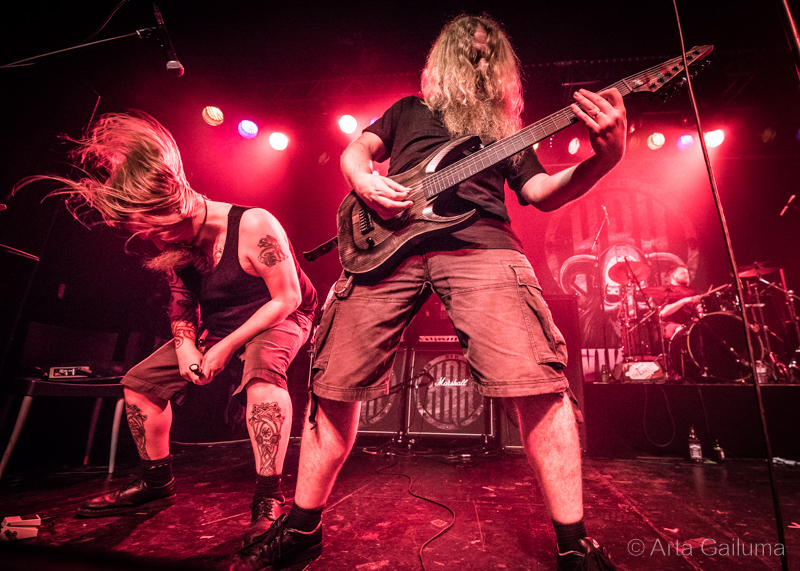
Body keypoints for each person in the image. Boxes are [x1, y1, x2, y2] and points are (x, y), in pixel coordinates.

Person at [232, 13, 624, 571]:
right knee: (334, 383)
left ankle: (575, 544)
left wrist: (604, 158)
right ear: (442, 57)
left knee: (537, 381)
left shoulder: (503, 130)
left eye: (487, 53)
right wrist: (363, 180)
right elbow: (356, 150)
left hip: (482, 243)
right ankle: (301, 530)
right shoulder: (407, 110)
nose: (476, 60)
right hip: (384, 247)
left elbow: (541, 191)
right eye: (467, 49)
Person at [18, 112, 318, 546]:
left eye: (154, 231)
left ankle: (268, 498)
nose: (153, 242)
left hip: (282, 316)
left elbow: (286, 298)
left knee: (261, 374)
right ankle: (156, 483)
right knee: (140, 383)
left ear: (176, 208)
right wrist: (186, 348)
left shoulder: (255, 224)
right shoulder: (175, 243)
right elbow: (182, 302)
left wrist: (224, 349)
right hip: (221, 325)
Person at [659, 264, 702, 340]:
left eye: (687, 273)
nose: (687, 275)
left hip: (692, 324)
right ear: (673, 276)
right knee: (679, 330)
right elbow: (663, 312)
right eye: (682, 273)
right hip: (673, 326)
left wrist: (700, 311)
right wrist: (684, 300)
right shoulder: (667, 292)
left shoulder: (693, 291)